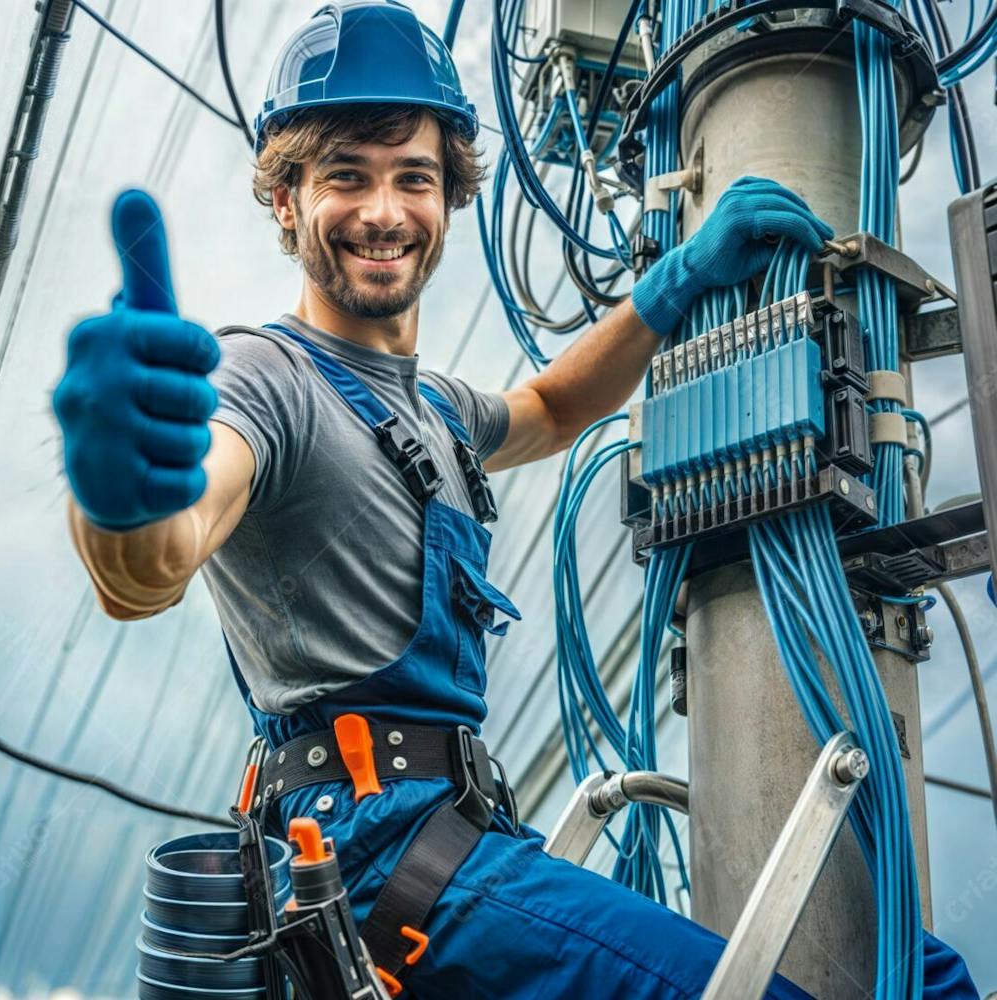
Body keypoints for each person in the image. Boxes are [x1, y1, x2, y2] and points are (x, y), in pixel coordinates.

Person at [52, 2, 978, 997]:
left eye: (414, 178)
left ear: (449, 199)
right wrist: (119, 505)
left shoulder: (438, 409)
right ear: (286, 201)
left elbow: (547, 404)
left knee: (912, 969)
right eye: (344, 178)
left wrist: (671, 284)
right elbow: (157, 558)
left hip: (460, 835)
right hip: (380, 855)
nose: (382, 210)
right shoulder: (260, 378)